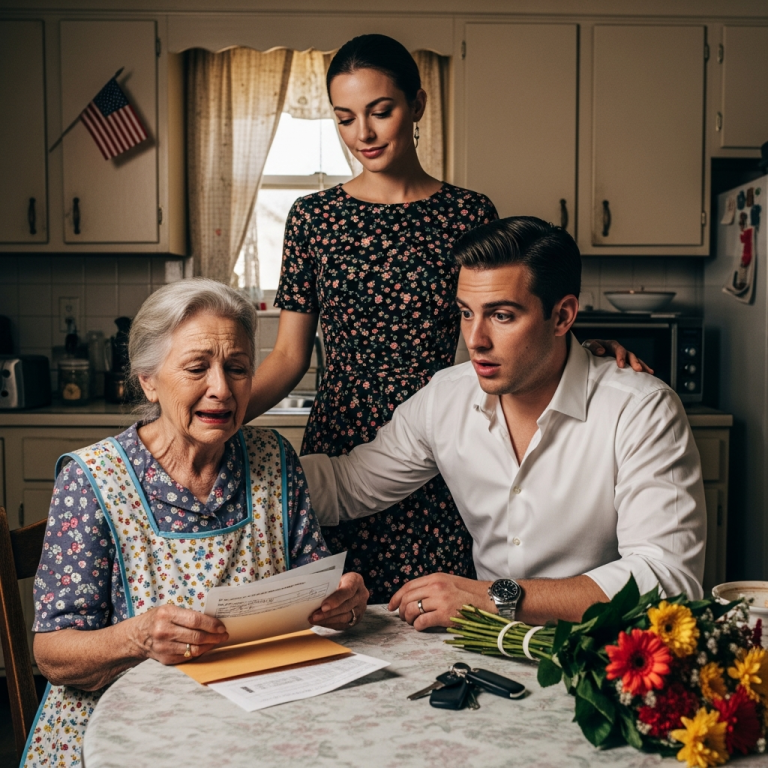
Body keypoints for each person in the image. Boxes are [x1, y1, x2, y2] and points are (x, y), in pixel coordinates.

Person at [246, 33, 647, 603]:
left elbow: (511, 304)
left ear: (417, 106)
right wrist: (209, 419)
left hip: (452, 441)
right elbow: (289, 357)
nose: (363, 133)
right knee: (339, 610)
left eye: (380, 111)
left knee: (442, 611)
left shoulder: (468, 211)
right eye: (344, 119)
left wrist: (586, 350)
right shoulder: (313, 217)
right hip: (344, 442)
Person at [300, 216, 706, 630]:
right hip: (486, 652)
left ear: (562, 316)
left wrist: (496, 597)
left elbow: (668, 579)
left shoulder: (640, 408)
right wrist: (238, 460)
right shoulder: (446, 396)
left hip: (603, 653)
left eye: (502, 316)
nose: (475, 339)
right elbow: (348, 485)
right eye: (465, 313)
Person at [25, 279, 368, 768]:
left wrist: (340, 599)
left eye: (237, 368)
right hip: (119, 731)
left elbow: (313, 589)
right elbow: (52, 654)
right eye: (196, 368)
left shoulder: (273, 457)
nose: (222, 390)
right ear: (148, 379)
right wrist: (138, 636)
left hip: (251, 714)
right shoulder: (91, 479)